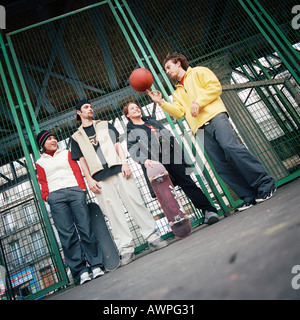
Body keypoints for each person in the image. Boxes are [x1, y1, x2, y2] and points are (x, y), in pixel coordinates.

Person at [147, 52, 277, 211]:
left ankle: (265, 184)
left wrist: (198, 102)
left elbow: (215, 87)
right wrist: (161, 102)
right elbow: (179, 113)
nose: (167, 71)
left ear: (178, 63)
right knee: (220, 164)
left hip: (215, 116)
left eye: (168, 67)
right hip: (199, 129)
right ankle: (248, 196)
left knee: (231, 148)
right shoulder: (177, 93)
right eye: (165, 69)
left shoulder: (199, 72)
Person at [70, 100, 168, 266]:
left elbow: (117, 145)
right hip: (99, 178)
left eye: (91, 106)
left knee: (135, 203)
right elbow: (81, 161)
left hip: (119, 169)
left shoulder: (104, 125)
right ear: (79, 112)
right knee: (113, 214)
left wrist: (125, 162)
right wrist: (89, 179)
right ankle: (125, 249)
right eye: (86, 107)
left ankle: (152, 237)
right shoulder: (76, 137)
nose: (90, 109)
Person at [123, 101, 219, 224]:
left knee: (187, 183)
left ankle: (208, 211)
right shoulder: (131, 131)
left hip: (172, 156)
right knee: (166, 194)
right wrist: (144, 160)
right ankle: (178, 222)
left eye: (137, 107)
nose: (136, 109)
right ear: (127, 115)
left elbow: (168, 135)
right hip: (155, 162)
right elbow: (132, 149)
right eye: (132, 108)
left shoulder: (151, 121)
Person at [35, 130, 104, 285]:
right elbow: (42, 181)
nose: (54, 140)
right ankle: (81, 271)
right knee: (67, 235)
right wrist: (46, 196)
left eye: (55, 138)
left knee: (85, 228)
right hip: (55, 197)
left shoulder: (66, 153)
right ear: (42, 143)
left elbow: (76, 170)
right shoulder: (40, 162)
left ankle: (96, 265)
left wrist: (81, 188)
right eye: (49, 139)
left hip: (74, 191)